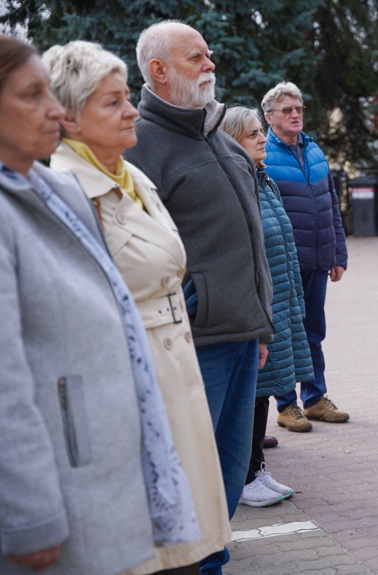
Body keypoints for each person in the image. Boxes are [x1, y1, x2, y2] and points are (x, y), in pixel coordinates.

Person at [0, 35, 196, 575]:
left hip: (108, 463)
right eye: (32, 95)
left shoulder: (49, 193)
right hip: (60, 481)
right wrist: (29, 515)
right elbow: (6, 385)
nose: (53, 110)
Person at [42, 40, 231, 574]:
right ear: (70, 118)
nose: (131, 111)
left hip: (176, 371)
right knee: (152, 553)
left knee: (190, 543)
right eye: (112, 102)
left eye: (127, 97)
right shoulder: (66, 193)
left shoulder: (131, 175)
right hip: (130, 390)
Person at [123, 21, 274, 574]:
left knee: (228, 476)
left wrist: (261, 325)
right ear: (158, 70)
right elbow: (132, 251)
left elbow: (251, 240)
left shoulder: (216, 132)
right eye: (196, 58)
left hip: (241, 338)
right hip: (191, 344)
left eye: (209, 55)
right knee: (188, 474)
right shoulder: (139, 143)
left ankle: (212, 558)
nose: (210, 64)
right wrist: (192, 309)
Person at [222, 106, 314, 507]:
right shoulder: (236, 183)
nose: (262, 139)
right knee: (253, 392)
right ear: (231, 142)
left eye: (262, 131)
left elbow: (282, 245)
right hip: (257, 306)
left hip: (278, 302)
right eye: (252, 134)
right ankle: (242, 477)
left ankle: (257, 467)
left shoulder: (263, 180)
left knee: (264, 391)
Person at [261, 81, 349, 433]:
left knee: (313, 331)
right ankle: (287, 405)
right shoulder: (262, 154)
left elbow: (332, 206)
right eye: (287, 110)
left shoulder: (314, 151)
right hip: (283, 264)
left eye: (298, 109)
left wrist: (338, 253)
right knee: (284, 333)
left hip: (317, 259)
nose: (295, 115)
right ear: (269, 116)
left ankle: (314, 399)